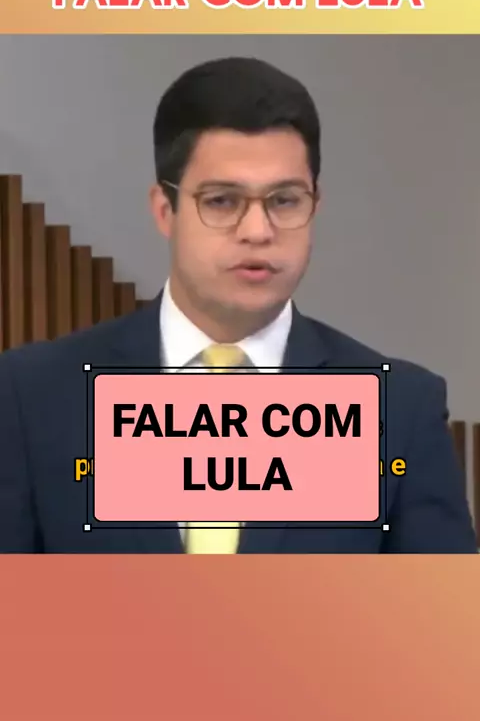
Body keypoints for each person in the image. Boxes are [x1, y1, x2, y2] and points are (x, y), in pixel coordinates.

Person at [0, 56, 476, 554]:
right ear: (165, 211)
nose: (257, 231)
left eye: (284, 201)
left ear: (315, 206)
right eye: (222, 201)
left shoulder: (397, 409)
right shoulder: (33, 397)